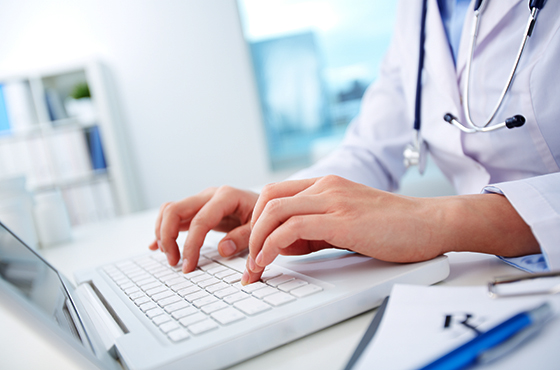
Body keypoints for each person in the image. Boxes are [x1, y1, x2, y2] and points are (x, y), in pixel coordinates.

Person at [150, 0, 560, 285]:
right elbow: (370, 149)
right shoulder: (417, 11)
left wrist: (435, 221)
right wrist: (279, 205)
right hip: (482, 276)